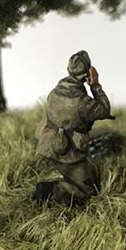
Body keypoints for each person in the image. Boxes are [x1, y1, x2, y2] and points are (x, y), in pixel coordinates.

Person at [33, 50, 112, 206]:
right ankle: (50, 191)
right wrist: (95, 85)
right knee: (87, 192)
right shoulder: (84, 102)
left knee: (86, 175)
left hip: (49, 145)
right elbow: (104, 109)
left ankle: (64, 178)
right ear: (86, 74)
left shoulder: (54, 92)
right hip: (68, 152)